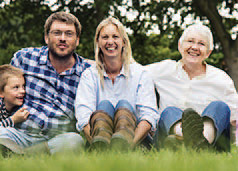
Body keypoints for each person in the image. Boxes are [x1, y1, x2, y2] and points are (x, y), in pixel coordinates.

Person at [0, 12, 91, 155]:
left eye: (69, 34)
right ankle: (25, 154)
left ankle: (21, 155)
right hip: (19, 134)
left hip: (57, 140)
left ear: (77, 40)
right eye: (57, 33)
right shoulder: (25, 58)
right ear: (46, 38)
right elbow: (3, 93)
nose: (62, 38)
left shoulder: (87, 73)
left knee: (75, 141)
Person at [146, 24, 238, 151]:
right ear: (180, 46)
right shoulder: (162, 69)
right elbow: (133, 71)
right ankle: (196, 143)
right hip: (168, 137)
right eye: (190, 41)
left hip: (211, 144)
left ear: (208, 53)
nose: (195, 47)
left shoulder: (221, 79)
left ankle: (200, 142)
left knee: (220, 107)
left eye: (201, 44)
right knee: (169, 111)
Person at [75, 17, 159, 150]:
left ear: (124, 41)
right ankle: (103, 146)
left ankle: (121, 143)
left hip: (135, 140)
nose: (110, 42)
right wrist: (98, 144)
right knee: (104, 106)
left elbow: (149, 115)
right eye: (105, 37)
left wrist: (128, 146)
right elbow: (83, 116)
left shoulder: (141, 73)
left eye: (115, 36)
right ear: (98, 42)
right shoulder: (89, 75)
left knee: (123, 105)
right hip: (99, 139)